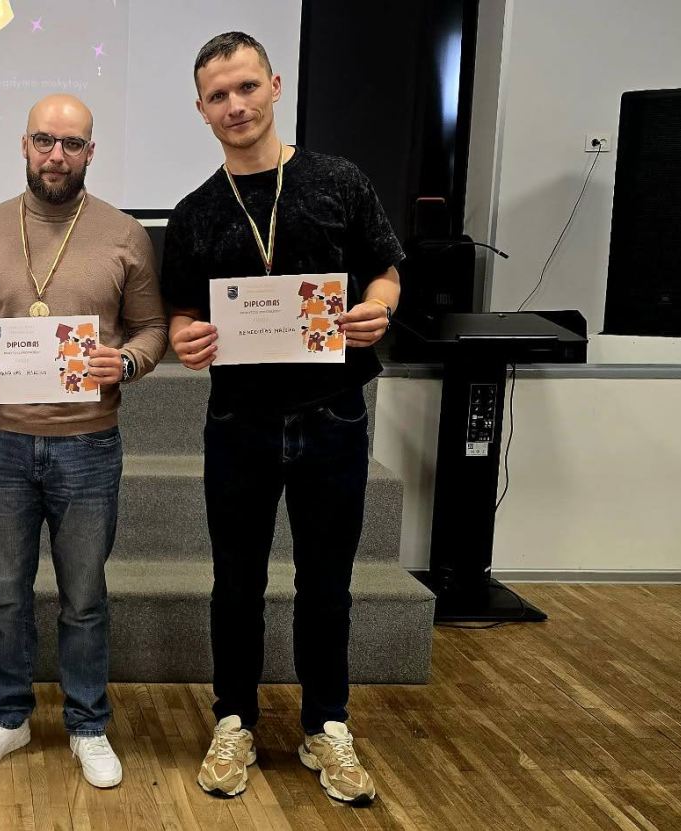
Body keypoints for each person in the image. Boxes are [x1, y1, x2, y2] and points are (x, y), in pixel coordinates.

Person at [161, 32, 403, 806]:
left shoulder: (338, 181)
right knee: (235, 583)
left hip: (333, 416)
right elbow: (181, 315)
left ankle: (326, 724)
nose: (235, 105)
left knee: (326, 583)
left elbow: (385, 271)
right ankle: (233, 719)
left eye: (245, 87)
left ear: (274, 84)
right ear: (201, 110)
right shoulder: (194, 212)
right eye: (218, 96)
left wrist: (378, 308)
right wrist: (184, 339)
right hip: (239, 422)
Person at [0, 94, 168, 790]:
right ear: (24, 145)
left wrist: (127, 361)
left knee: (84, 597)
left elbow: (152, 329)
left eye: (71, 144)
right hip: (0, 444)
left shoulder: (125, 234)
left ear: (91, 151)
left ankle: (87, 723)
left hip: (88, 447)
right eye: (45, 141)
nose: (56, 156)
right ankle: (7, 717)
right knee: (5, 597)